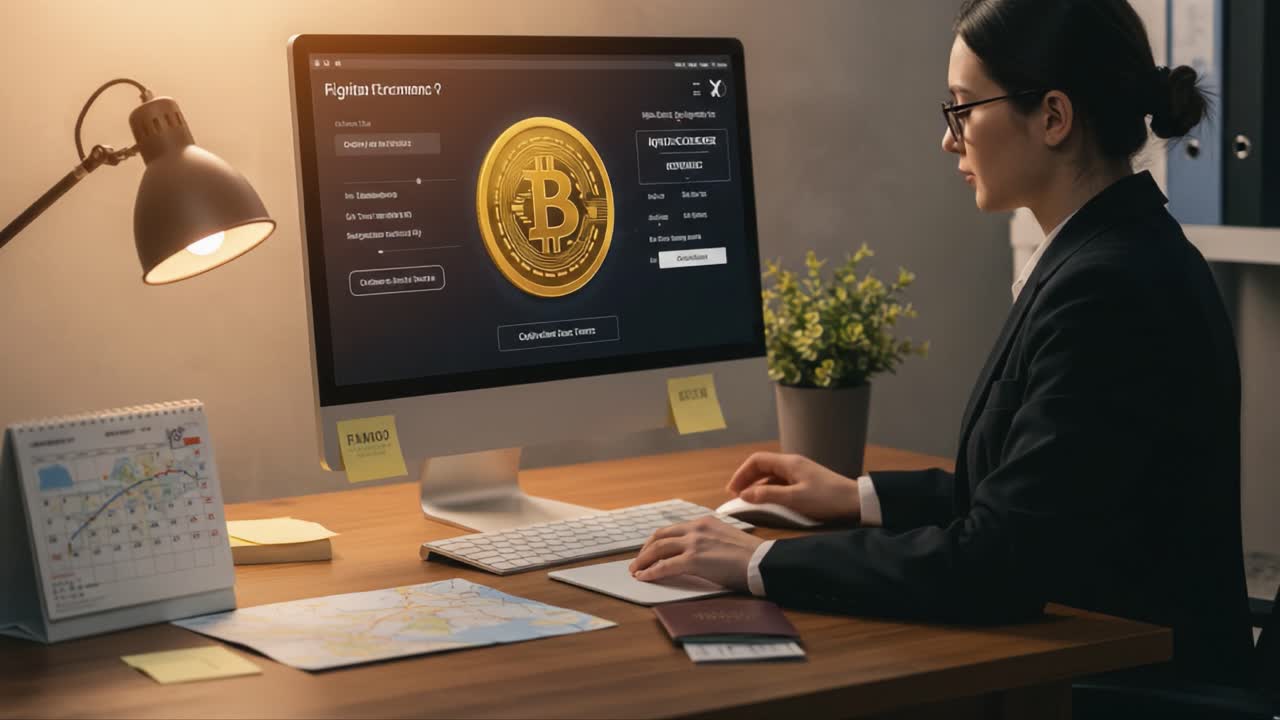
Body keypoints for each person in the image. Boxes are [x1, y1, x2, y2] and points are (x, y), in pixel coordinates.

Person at [630, 0, 1253, 686]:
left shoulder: (1107, 290)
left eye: (962, 108)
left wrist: (756, 563)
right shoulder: (1118, 252)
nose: (949, 140)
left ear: (1052, 117)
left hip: (1123, 690)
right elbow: (1043, 495)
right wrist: (855, 496)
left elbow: (997, 562)